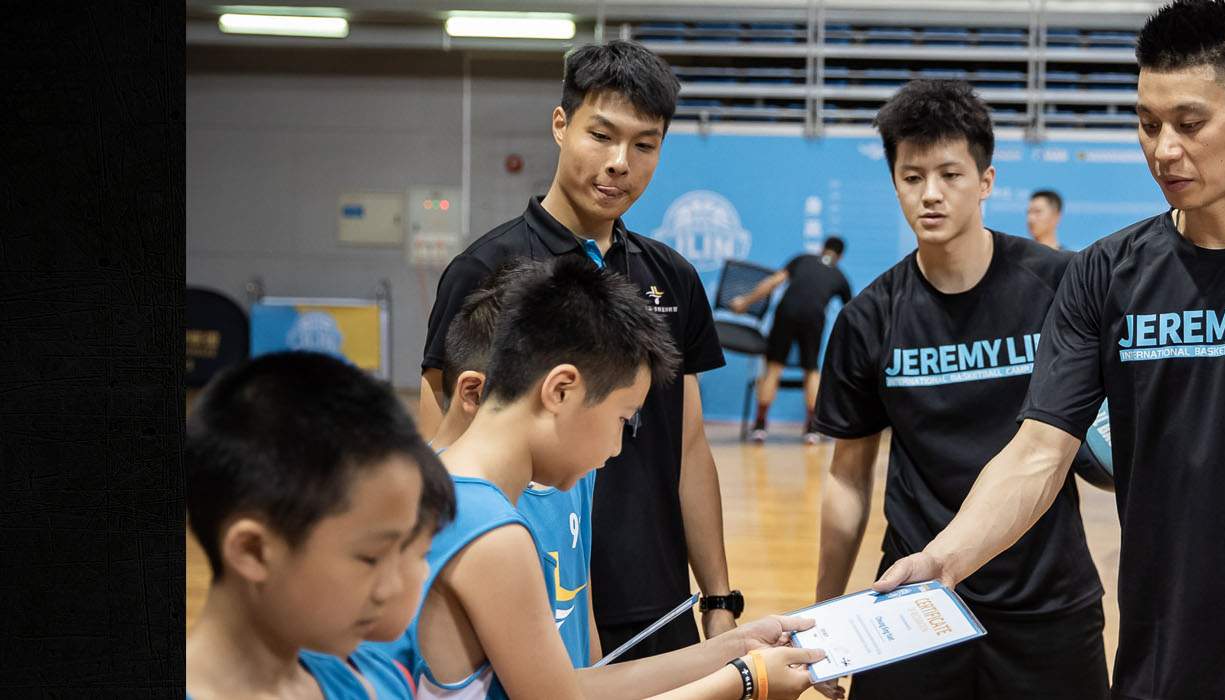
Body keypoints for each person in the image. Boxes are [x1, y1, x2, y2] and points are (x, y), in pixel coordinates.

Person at [870, 2, 1225, 697]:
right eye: (1148, 124)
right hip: (1159, 662)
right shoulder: (1104, 273)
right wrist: (944, 561)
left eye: (1189, 123)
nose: (1164, 149)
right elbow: (1038, 453)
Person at [415, 40, 740, 661]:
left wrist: (719, 598)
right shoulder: (484, 270)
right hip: (534, 602)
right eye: (601, 135)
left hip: (656, 598)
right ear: (561, 125)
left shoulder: (673, 278)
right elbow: (445, 452)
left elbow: (691, 448)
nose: (619, 163)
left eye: (644, 145)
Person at [389, 256, 824, 699]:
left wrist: (733, 648)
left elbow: (566, 686)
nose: (617, 448)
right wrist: (747, 680)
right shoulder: (491, 533)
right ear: (561, 390)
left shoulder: (436, 490)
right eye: (622, 419)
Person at [811, 80, 1107, 700]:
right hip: (912, 600)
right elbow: (847, 477)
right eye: (912, 177)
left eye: (950, 174)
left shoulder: (1061, 285)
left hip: (1046, 599)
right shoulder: (869, 318)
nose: (931, 193)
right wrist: (827, 614)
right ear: (895, 184)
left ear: (986, 180)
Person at [185, 351, 452, 700]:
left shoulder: (378, 682)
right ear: (253, 550)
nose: (391, 588)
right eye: (371, 557)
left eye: (405, 550)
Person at [428, 258, 604, 669]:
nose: (611, 447)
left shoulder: (572, 475)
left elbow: (582, 613)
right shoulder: (455, 510)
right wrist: (740, 674)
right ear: (474, 393)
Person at [728, 237, 854, 443]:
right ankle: (812, 430)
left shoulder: (802, 259)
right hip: (814, 318)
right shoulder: (840, 276)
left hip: (786, 313)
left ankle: (759, 426)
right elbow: (850, 312)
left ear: (822, 248)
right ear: (840, 257)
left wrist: (744, 302)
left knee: (773, 368)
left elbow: (773, 282)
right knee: (811, 371)